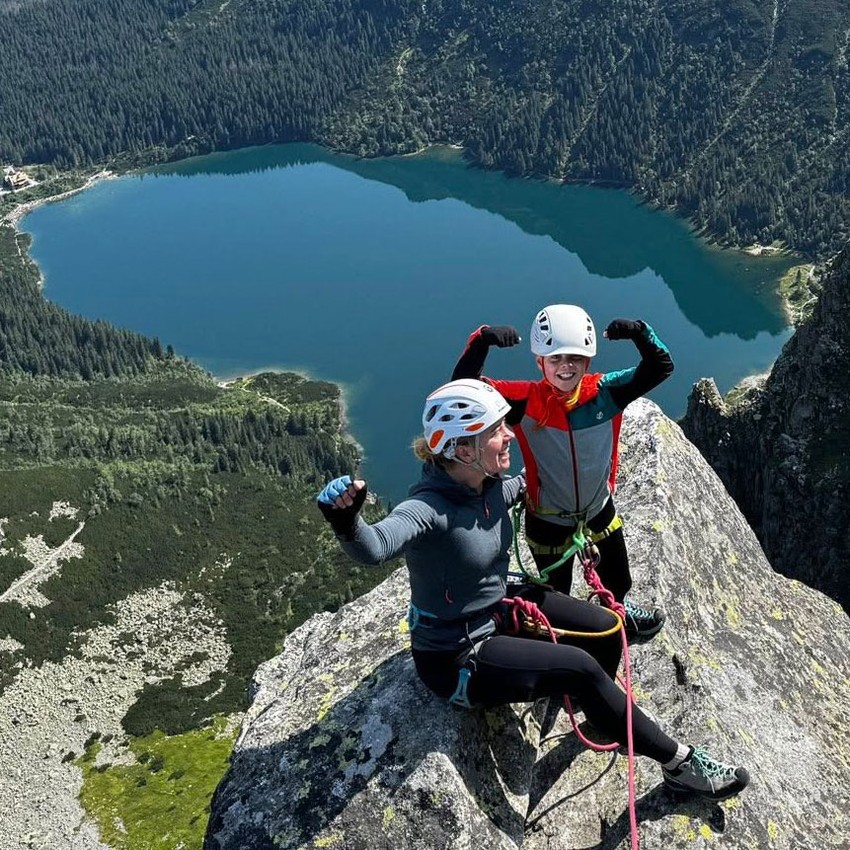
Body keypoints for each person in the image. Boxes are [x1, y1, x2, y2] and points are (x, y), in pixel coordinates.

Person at [316, 379, 749, 801]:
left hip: (498, 609)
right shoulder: (427, 509)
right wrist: (346, 521)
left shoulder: (487, 485)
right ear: (463, 451)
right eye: (496, 431)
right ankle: (679, 764)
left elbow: (531, 484)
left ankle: (603, 709)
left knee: (608, 625)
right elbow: (376, 546)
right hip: (458, 655)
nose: (509, 435)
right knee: (581, 667)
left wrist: (580, 477)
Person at [451, 305, 674, 642]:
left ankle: (619, 610)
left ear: (587, 361)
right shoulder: (525, 402)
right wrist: (481, 341)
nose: (566, 367)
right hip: (548, 518)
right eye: (555, 359)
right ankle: (567, 644)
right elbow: (463, 392)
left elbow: (660, 367)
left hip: (598, 510)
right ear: (540, 362)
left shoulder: (607, 392)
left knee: (618, 577)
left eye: (575, 359)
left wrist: (640, 332)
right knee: (556, 593)